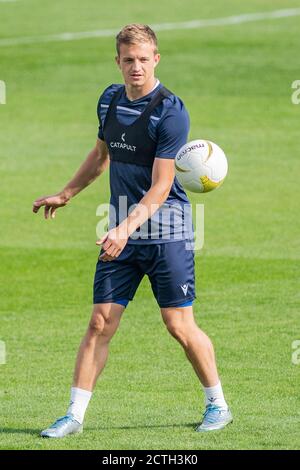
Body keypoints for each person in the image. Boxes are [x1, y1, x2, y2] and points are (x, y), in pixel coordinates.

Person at [33, 24, 232, 438]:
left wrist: (123, 228)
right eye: (128, 60)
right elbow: (101, 155)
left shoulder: (170, 110)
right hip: (121, 230)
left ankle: (218, 404)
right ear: (118, 61)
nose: (136, 67)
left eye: (144, 59)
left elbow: (161, 187)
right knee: (100, 323)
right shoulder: (109, 100)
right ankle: (74, 415)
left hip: (167, 232)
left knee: (178, 324)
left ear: (156, 58)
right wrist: (66, 193)